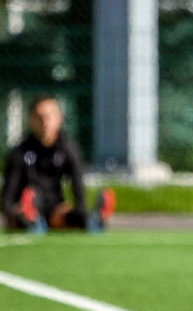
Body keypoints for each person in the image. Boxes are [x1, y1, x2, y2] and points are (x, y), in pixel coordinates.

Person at [1, 95, 115, 233]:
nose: (45, 122)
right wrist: (12, 213)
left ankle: (94, 220)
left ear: (59, 118)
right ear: (31, 120)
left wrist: (79, 212)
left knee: (71, 217)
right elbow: (7, 197)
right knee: (29, 201)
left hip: (54, 209)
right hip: (28, 205)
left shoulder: (68, 149)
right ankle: (32, 220)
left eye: (49, 116)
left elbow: (78, 188)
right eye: (40, 117)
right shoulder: (19, 153)